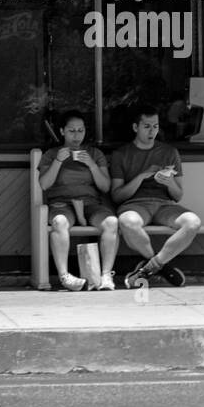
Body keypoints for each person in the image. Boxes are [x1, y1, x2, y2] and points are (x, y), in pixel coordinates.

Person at [109, 102, 201, 287]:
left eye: (156, 126)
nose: (152, 131)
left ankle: (149, 268)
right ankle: (162, 267)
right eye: (147, 126)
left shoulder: (169, 152)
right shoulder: (121, 155)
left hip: (164, 204)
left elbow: (178, 196)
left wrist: (169, 182)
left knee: (193, 223)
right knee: (128, 222)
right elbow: (117, 196)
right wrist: (143, 176)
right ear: (135, 127)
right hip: (135, 204)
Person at [36, 109, 118, 292]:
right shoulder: (51, 154)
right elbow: (44, 184)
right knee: (59, 222)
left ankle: (106, 275)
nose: (77, 135)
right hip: (61, 203)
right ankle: (64, 276)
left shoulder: (94, 154)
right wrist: (58, 161)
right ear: (62, 131)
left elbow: (105, 186)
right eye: (72, 131)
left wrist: (91, 165)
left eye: (80, 130)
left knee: (111, 222)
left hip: (90, 203)